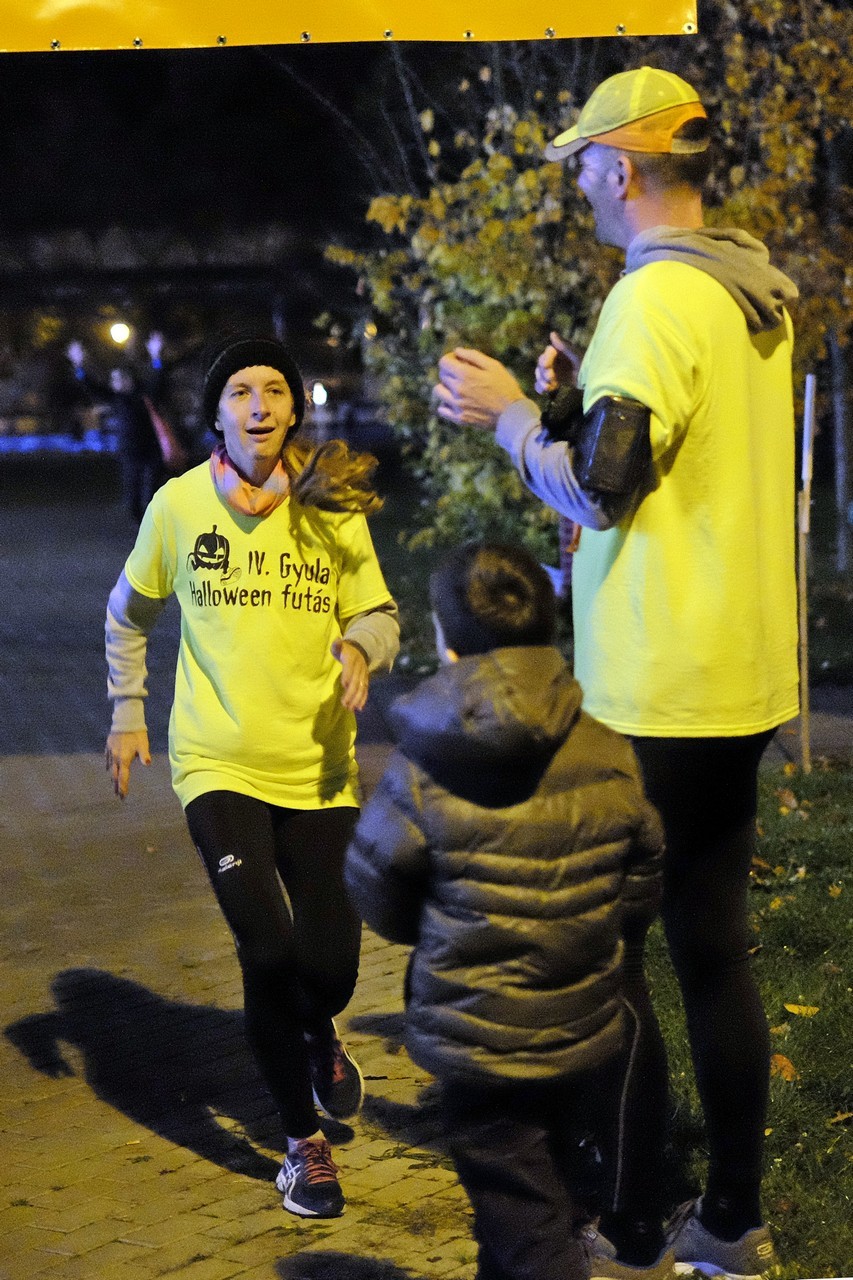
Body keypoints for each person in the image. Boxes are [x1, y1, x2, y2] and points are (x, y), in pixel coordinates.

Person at [434, 66, 797, 1280]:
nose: (579, 182)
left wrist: (505, 415)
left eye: (584, 163)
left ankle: (635, 1225)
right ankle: (730, 1220)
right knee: (714, 947)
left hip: (657, 689)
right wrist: (566, 400)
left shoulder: (649, 299)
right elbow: (652, 454)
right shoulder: (746, 293)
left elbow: (602, 485)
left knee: (613, 963)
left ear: (625, 168)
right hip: (737, 678)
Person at [103, 333, 400, 1219]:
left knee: (330, 969)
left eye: (275, 389)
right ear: (217, 413)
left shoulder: (328, 503)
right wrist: (127, 712)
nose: (260, 405)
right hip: (217, 762)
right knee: (267, 951)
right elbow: (127, 614)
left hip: (318, 768)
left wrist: (361, 646)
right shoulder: (178, 506)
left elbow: (380, 612)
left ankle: (318, 1030)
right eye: (240, 390)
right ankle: (302, 1146)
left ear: (295, 408)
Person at [345, 541, 667, 1280]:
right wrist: (590, 926)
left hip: (478, 1037)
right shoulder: (606, 748)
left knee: (526, 1220)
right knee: (529, 1199)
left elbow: (378, 883)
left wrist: (438, 932)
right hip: (581, 1020)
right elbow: (643, 869)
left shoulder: (423, 762)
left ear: (447, 642)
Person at [67, 332, 176, 524]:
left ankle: (154, 521)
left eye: (121, 379)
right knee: (132, 492)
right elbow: (92, 388)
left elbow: (158, 379)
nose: (117, 383)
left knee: (153, 487)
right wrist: (79, 366)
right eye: (114, 380)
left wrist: (156, 357)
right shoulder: (115, 398)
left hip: (151, 449)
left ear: (130, 379)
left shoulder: (144, 395)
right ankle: (140, 520)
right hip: (129, 451)